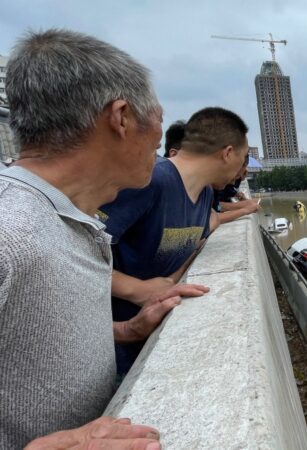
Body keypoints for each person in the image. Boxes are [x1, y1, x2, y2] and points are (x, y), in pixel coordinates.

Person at [0, 28, 207, 449]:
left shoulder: (66, 218)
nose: (161, 146)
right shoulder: (11, 231)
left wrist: (127, 330)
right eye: (160, 123)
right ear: (122, 118)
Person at [99, 107, 250, 374]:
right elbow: (70, 255)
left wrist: (171, 283)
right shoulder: (150, 181)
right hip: (110, 352)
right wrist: (138, 289)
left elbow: (193, 247)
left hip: (150, 345)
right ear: (227, 153)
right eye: (242, 157)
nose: (242, 170)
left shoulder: (204, 194)